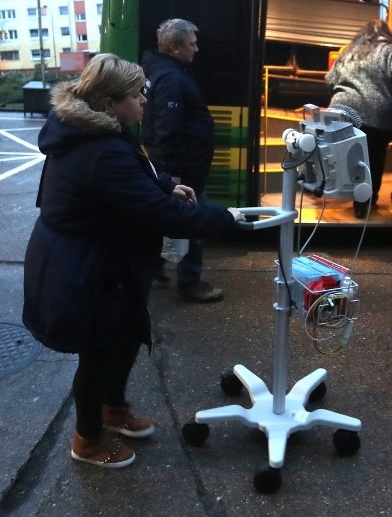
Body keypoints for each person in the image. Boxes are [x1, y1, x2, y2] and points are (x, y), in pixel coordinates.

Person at [22, 53, 244, 468]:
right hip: (85, 266)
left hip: (105, 260)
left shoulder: (101, 132)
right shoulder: (100, 148)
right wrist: (224, 218)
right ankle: (87, 440)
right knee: (100, 349)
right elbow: (159, 215)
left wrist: (164, 186)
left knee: (123, 336)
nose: (146, 100)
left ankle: (113, 407)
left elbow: (133, 178)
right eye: (137, 94)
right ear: (108, 102)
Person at [141, 18, 223, 302]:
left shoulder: (161, 72)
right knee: (194, 223)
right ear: (175, 48)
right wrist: (174, 175)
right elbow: (168, 130)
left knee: (168, 222)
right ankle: (190, 283)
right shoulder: (172, 79)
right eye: (192, 44)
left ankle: (153, 269)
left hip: (180, 168)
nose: (197, 49)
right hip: (184, 171)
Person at [325, 19, 392, 218]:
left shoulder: (349, 51)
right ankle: (364, 203)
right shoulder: (391, 52)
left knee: (348, 154)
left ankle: (330, 186)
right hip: (377, 116)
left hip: (342, 111)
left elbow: (329, 79)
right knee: (373, 158)